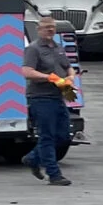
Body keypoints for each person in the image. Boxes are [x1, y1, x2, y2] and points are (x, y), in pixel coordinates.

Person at [24, 12, 75, 185]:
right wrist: (49, 78)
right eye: (46, 28)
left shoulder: (58, 47)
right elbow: (27, 72)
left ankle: (32, 158)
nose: (50, 30)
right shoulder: (33, 49)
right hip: (41, 98)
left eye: (52, 27)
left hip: (59, 96)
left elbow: (69, 68)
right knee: (47, 136)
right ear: (38, 30)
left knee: (63, 136)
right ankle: (54, 174)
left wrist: (70, 78)